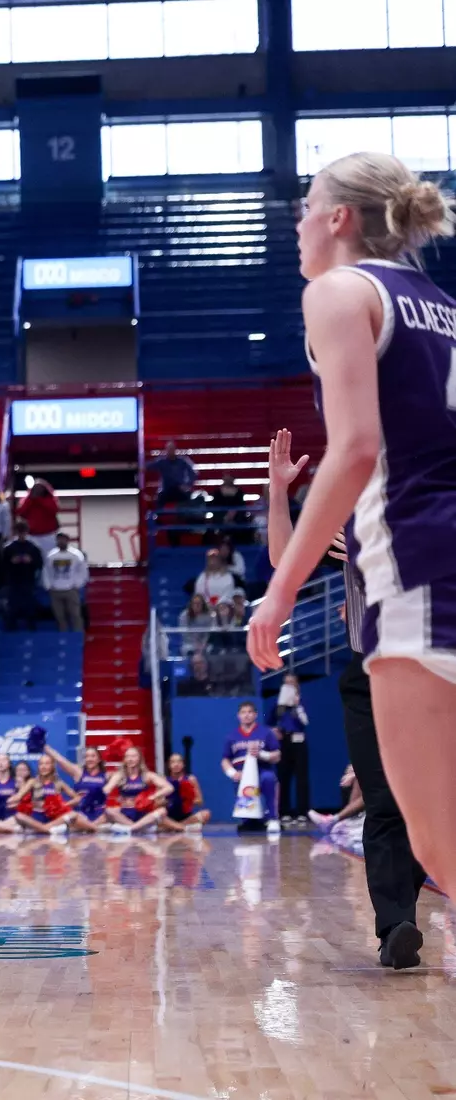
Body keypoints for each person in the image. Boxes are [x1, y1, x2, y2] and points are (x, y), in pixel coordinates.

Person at [246, 154, 456, 913]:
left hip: (416, 570)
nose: (297, 223)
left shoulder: (339, 291)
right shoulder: (441, 304)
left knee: (439, 845)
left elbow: (357, 447)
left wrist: (279, 593)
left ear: (338, 218)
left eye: (305, 206)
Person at [267, 429, 424, 965]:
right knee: (383, 801)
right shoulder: (346, 511)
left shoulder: (425, 507)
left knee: (423, 805)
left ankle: (405, 913)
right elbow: (283, 559)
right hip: (367, 673)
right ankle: (396, 929)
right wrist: (278, 492)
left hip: (427, 670)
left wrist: (368, 549)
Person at [223, 700, 282, 832]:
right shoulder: (231, 736)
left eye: (250, 712)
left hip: (262, 770)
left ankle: (273, 818)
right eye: (243, 712)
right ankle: (248, 820)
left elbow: (277, 755)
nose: (246, 715)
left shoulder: (266, 733)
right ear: (238, 715)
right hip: (242, 774)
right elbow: (225, 759)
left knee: (268, 779)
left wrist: (262, 754)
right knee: (243, 790)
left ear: (255, 715)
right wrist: (232, 773)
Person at [271, 671, 312, 822]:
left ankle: (302, 812)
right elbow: (269, 719)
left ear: (297, 685)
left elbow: (306, 721)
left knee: (301, 777)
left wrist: (297, 706)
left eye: (291, 683)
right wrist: (274, 729)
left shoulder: (302, 701)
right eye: (286, 683)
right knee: (283, 776)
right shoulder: (278, 704)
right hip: (284, 741)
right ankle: (284, 811)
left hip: (299, 740)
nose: (288, 686)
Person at [104, 748, 172, 834]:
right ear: (124, 759)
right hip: (126, 811)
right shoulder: (120, 775)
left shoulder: (147, 775)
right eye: (127, 756)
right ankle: (138, 828)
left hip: (143, 812)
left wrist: (153, 797)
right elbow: (106, 789)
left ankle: (130, 829)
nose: (130, 759)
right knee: (109, 811)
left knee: (162, 811)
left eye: (133, 756)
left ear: (139, 758)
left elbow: (169, 788)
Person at [0, 521, 44, 630]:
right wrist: (12, 562)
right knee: (12, 608)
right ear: (16, 532)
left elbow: (40, 564)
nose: (21, 535)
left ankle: (32, 631)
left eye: (23, 532)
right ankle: (11, 631)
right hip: (13, 583)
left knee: (30, 608)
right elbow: (2, 566)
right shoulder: (9, 548)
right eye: (19, 532)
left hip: (28, 582)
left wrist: (31, 561)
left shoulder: (33, 547)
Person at [43, 532, 88, 632]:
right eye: (59, 540)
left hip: (71, 589)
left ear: (67, 541)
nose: (61, 542)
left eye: (63, 539)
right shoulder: (51, 555)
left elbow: (83, 571)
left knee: (75, 614)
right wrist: (49, 585)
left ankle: (77, 634)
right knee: (59, 616)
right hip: (55, 590)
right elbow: (46, 571)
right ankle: (63, 635)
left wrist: (77, 584)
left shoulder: (76, 555)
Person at [157, 754, 211, 832]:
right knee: (157, 817)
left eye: (179, 762)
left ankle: (174, 827)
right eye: (173, 762)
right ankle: (183, 828)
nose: (176, 764)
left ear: (183, 764)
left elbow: (200, 801)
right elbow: (157, 803)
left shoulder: (191, 779)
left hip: (186, 817)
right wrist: (167, 802)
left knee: (206, 814)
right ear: (169, 765)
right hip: (169, 816)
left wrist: (186, 800)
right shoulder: (163, 780)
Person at [148, 441, 198, 506]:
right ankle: (159, 512)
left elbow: (193, 472)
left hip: (180, 489)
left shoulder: (182, 460)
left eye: (171, 449)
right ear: (166, 450)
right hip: (166, 489)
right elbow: (149, 466)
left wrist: (187, 484)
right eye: (168, 449)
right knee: (159, 498)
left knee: (188, 497)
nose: (170, 451)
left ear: (175, 449)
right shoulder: (161, 461)